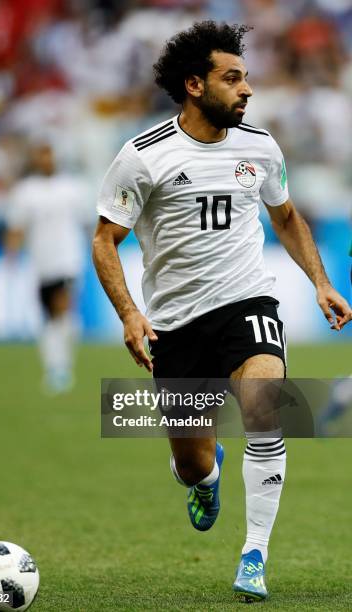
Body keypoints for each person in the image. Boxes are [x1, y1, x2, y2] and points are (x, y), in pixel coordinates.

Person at [92, 21, 352, 601]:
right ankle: (204, 479)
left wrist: (321, 282)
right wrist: (131, 315)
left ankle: (254, 554)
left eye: (247, 77)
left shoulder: (259, 147)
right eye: (232, 78)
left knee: (265, 404)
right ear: (193, 84)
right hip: (175, 324)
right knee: (191, 461)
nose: (247, 89)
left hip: (246, 302)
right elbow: (106, 239)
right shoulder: (143, 157)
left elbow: (285, 217)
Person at [6, 142, 89, 394]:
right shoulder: (25, 191)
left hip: (69, 259)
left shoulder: (73, 188)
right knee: (51, 318)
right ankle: (55, 366)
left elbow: (89, 224)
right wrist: (11, 255)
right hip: (42, 262)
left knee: (61, 306)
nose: (45, 160)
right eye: (40, 156)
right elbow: (16, 227)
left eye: (48, 155)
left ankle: (62, 368)